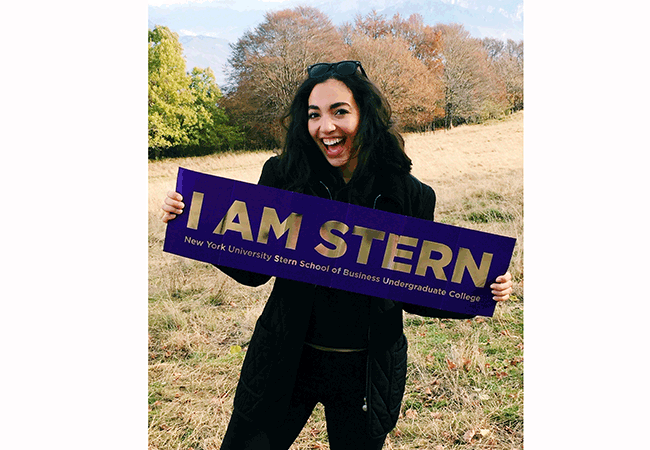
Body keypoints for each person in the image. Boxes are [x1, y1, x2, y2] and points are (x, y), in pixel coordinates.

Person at [161, 60, 513, 450]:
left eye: (339, 111)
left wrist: (481, 291)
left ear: (365, 115)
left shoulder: (411, 194)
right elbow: (253, 272)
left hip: (365, 372)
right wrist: (195, 224)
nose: (325, 127)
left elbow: (414, 290)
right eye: (314, 115)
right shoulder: (283, 176)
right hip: (284, 359)